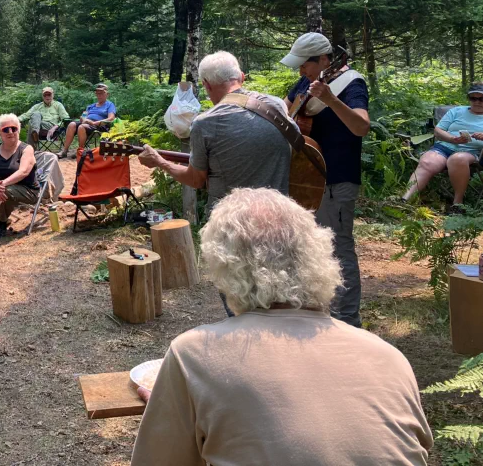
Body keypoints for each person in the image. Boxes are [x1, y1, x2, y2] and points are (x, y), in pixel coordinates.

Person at [130, 188, 432, 466]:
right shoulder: (388, 357)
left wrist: (173, 413)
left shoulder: (194, 353)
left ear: (222, 265)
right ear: (318, 253)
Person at [283, 32, 370, 328]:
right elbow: (286, 111)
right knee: (308, 246)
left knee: (338, 248)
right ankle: (317, 312)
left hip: (336, 179)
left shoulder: (352, 83)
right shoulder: (305, 82)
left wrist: (331, 100)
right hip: (306, 178)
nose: (300, 71)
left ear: (323, 60)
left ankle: (347, 320)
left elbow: (361, 127)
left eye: (304, 65)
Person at [136, 52, 294, 214]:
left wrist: (159, 161)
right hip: (279, 216)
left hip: (230, 223)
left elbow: (195, 179)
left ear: (207, 85)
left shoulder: (205, 123)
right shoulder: (277, 105)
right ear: (241, 77)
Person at [402, 83, 483, 208]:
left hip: (470, 152)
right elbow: (438, 130)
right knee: (428, 161)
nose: (477, 102)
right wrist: (452, 138)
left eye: (481, 98)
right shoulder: (456, 111)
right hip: (445, 146)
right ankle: (404, 200)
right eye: (473, 98)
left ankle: (457, 204)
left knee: (457, 159)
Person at [57, 83, 116, 159]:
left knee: (82, 127)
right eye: (98, 93)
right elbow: (83, 116)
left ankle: (80, 151)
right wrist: (84, 119)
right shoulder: (91, 106)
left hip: (100, 125)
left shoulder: (110, 105)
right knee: (72, 124)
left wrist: (96, 122)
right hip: (88, 123)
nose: (99, 95)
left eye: (102, 93)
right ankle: (64, 151)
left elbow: (111, 118)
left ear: (107, 94)